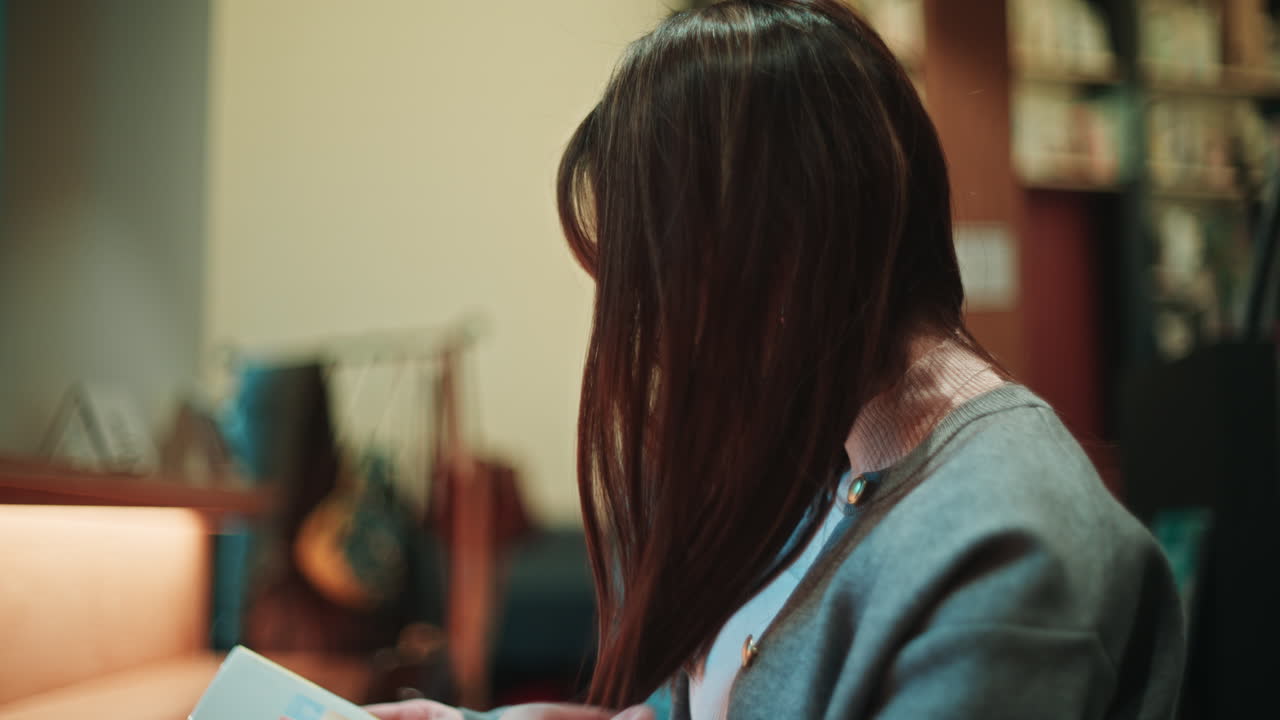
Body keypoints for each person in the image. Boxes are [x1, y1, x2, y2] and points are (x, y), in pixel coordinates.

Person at [370, 1, 1185, 718]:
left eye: (656, 287)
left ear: (778, 248)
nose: (651, 340)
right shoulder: (830, 457)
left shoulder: (1004, 553)